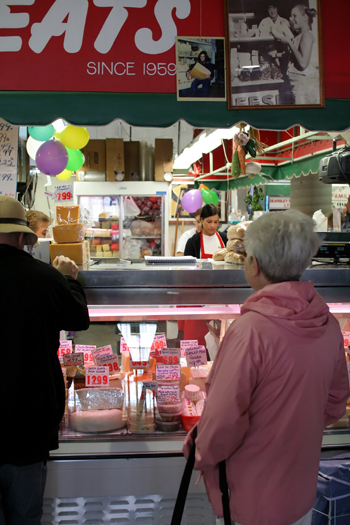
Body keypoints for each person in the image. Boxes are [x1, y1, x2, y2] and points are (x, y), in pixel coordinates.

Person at [183, 209, 349, 525]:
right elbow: (335, 404)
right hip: (301, 493)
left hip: (252, 497)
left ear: (253, 265)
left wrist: (198, 452)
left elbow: (220, 424)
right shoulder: (327, 324)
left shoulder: (250, 331)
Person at [0, 196, 90, 524]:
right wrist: (69, 278)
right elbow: (78, 317)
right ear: (25, 237)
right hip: (28, 424)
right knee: (25, 517)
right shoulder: (43, 277)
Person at [271, 5, 319, 104]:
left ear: (305, 17)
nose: (291, 19)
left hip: (305, 88)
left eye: (294, 16)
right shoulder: (300, 36)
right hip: (299, 87)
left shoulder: (307, 35)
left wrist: (289, 42)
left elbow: (303, 63)